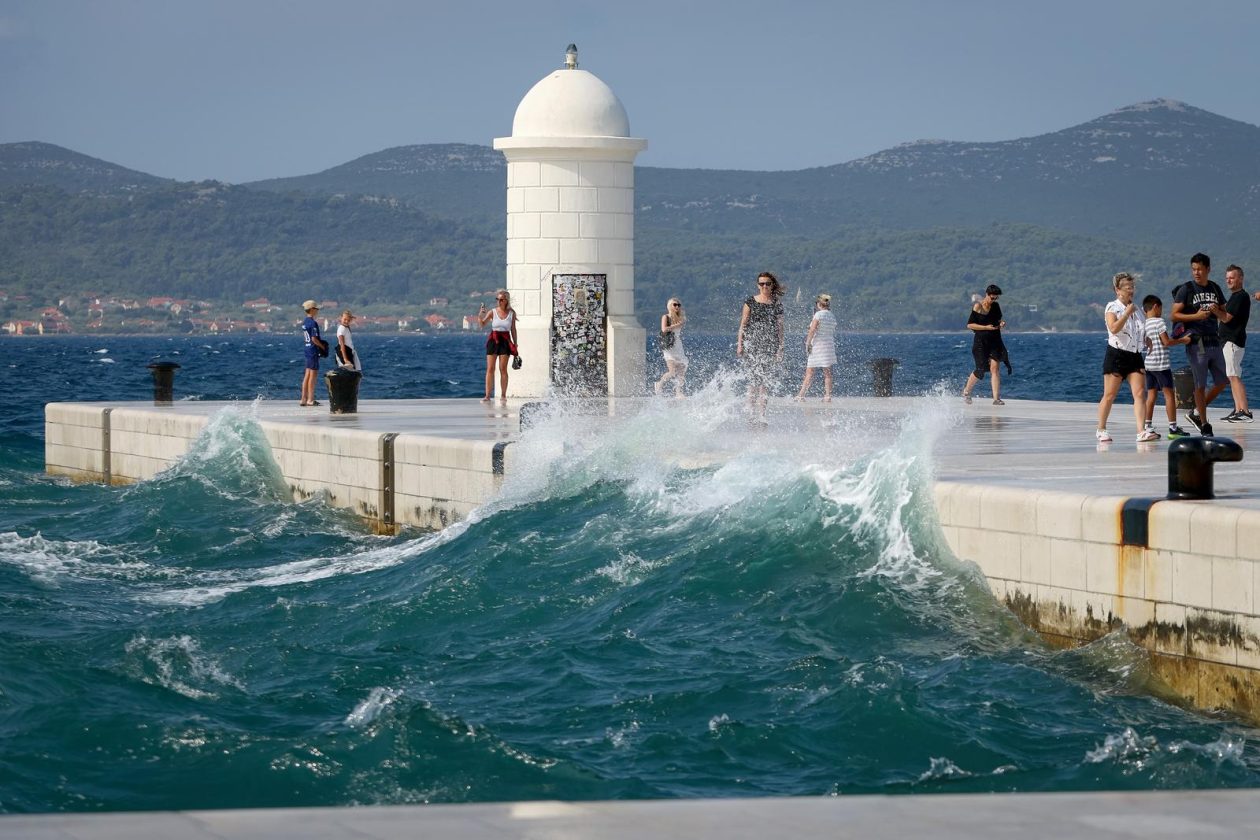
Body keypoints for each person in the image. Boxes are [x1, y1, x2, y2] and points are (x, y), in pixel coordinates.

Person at [1172, 253, 1228, 437]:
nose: (1196, 273)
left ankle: (1195, 412)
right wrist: (1195, 316)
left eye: (1199, 269)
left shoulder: (1215, 287)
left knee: (1222, 381)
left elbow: (1225, 313)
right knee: (1200, 384)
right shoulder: (1186, 289)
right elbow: (1174, 315)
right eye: (1193, 269)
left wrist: (1216, 310)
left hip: (1215, 340)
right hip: (1197, 343)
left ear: (1208, 269)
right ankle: (1204, 423)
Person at [1097, 273, 1155, 443]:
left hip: (1135, 355)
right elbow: (1114, 328)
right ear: (1118, 290)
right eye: (1128, 287)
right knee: (1110, 395)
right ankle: (1101, 429)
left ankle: (1141, 431)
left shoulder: (1137, 310)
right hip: (1117, 355)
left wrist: (1147, 339)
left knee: (1139, 393)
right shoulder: (1112, 307)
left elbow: (1139, 329)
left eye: (1133, 287)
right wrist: (1126, 313)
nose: (1131, 291)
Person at [736, 271, 785, 418]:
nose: (764, 286)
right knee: (753, 380)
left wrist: (780, 348)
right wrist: (740, 344)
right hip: (752, 345)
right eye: (762, 283)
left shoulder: (777, 303)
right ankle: (751, 413)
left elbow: (780, 327)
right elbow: (743, 325)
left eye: (768, 283)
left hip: (770, 345)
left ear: (772, 285)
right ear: (758, 285)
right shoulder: (750, 301)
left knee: (765, 381)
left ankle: (762, 414)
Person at [1141, 294, 1190, 438]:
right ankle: (1173, 428)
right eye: (1161, 309)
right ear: (1156, 307)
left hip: (1149, 364)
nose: (1161, 312)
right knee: (1169, 395)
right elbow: (1166, 342)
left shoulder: (1145, 324)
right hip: (1161, 364)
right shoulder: (1159, 322)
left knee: (1151, 396)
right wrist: (1183, 340)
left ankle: (1147, 426)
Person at [961, 284, 1010, 405]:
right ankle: (966, 391)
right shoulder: (978, 306)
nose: (994, 300)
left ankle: (996, 399)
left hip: (994, 340)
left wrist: (1002, 322)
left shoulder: (996, 306)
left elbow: (998, 319)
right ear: (987, 294)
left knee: (995, 368)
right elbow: (970, 325)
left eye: (996, 298)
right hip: (980, 342)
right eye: (992, 298)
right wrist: (985, 327)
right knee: (980, 370)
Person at [1219, 264, 1252, 423]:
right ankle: (1238, 409)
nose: (1229, 281)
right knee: (1233, 375)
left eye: (1232, 277)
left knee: (1233, 376)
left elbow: (1226, 318)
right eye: (1227, 278)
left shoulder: (1240, 296)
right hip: (1230, 341)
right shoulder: (1236, 297)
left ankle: (1244, 410)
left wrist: (1214, 310)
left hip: (1232, 341)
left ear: (1240, 278)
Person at [478, 289, 518, 402]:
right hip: (493, 340)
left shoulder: (511, 313)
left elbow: (513, 329)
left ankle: (503, 395)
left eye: (501, 300)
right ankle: (487, 396)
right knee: (490, 368)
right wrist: (480, 315)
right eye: (497, 299)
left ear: (506, 301)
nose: (499, 301)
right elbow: (482, 324)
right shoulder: (492, 312)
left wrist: (515, 344)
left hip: (505, 340)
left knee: (503, 369)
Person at [796, 293, 837, 401]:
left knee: (809, 372)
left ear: (819, 304)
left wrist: (808, 343)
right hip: (829, 345)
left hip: (818, 345)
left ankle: (801, 395)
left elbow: (813, 330)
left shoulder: (818, 315)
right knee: (827, 373)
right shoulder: (831, 315)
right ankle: (828, 396)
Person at [655, 298, 688, 398]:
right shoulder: (666, 317)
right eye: (675, 305)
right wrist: (676, 325)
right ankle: (659, 384)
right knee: (672, 371)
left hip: (678, 345)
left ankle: (678, 392)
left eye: (679, 305)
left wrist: (679, 322)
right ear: (670, 306)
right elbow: (664, 329)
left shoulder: (680, 317)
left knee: (682, 369)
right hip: (669, 346)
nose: (677, 307)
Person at [299, 299, 328, 407]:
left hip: (307, 349)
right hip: (313, 350)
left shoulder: (305, 322)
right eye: (316, 309)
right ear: (311, 310)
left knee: (307, 374)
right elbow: (314, 339)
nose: (317, 310)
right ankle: (310, 399)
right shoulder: (313, 323)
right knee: (313, 375)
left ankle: (303, 398)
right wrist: (323, 347)